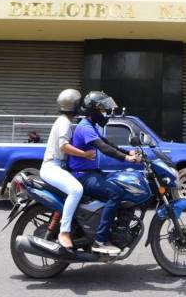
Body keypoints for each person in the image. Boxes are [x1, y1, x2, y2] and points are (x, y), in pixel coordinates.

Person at [68, 91, 140, 256]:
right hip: (82, 175)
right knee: (115, 193)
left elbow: (108, 143)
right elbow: (103, 147)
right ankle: (100, 240)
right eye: (102, 109)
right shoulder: (85, 127)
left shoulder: (91, 126)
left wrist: (128, 153)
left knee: (119, 184)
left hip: (91, 172)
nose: (105, 113)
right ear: (93, 110)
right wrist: (126, 159)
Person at [39, 89, 96, 250]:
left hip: (60, 167)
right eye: (80, 105)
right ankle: (64, 232)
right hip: (52, 167)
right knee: (76, 190)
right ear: (74, 107)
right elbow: (64, 146)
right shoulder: (63, 122)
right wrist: (85, 154)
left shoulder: (66, 121)